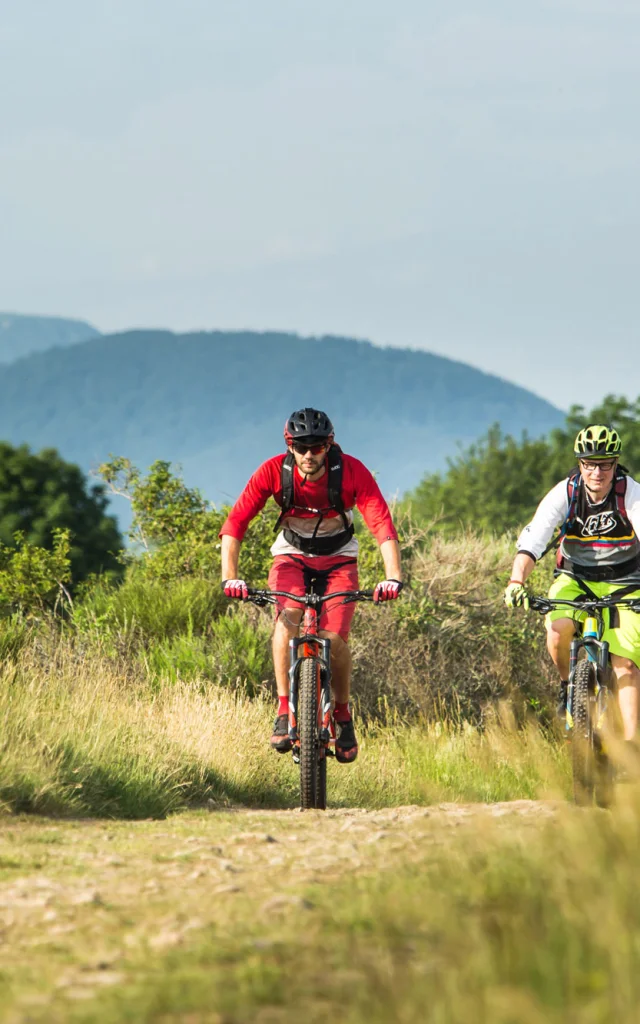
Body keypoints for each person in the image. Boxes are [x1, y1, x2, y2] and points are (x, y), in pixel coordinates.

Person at [219, 407, 403, 763]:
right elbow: (235, 523)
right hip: (291, 556)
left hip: (339, 559)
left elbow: (381, 523)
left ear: (329, 444)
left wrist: (392, 577)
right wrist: (230, 577)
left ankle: (343, 715)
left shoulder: (351, 471)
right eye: (300, 446)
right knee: (287, 621)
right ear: (289, 445)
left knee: (334, 639)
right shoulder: (274, 471)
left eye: (316, 447)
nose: (308, 454)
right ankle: (285, 708)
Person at [504, 424, 640, 746]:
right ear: (580, 463)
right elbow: (533, 541)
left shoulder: (630, 493)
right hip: (575, 579)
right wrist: (515, 581)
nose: (597, 471)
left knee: (626, 666)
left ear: (615, 463)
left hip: (626, 584)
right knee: (558, 628)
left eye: (605, 464)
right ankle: (570, 687)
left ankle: (633, 752)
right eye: (590, 463)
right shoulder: (566, 492)